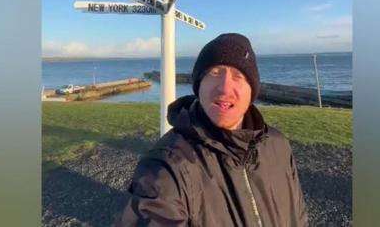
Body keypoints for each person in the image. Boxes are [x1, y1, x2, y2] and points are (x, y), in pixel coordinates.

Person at [116, 33, 308, 227]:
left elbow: (298, 217)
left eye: (238, 76)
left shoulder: (278, 145)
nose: (225, 88)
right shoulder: (167, 167)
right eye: (215, 73)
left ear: (252, 91)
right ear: (198, 86)